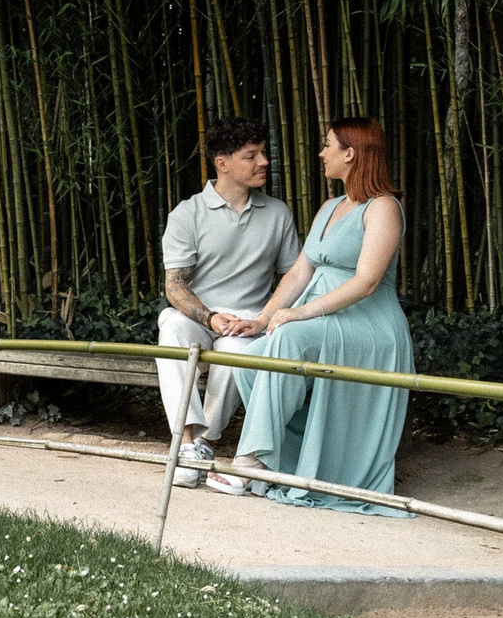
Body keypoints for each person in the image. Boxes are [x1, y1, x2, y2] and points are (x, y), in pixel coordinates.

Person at [230, 118, 416, 514]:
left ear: (350, 153)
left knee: (289, 340)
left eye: (328, 145)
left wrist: (298, 315)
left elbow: (366, 282)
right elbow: (300, 271)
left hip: (369, 323)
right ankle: (288, 461)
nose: (321, 152)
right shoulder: (330, 206)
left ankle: (252, 461)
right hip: (323, 318)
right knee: (246, 361)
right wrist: (265, 319)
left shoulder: (383, 207)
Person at [157, 116, 300, 489]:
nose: (264, 162)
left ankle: (205, 444)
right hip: (201, 316)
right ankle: (186, 443)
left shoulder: (278, 214)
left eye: (263, 154)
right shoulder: (187, 214)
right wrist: (211, 317)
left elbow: (293, 277)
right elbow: (175, 287)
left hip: (250, 320)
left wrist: (266, 318)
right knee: (171, 325)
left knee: (236, 351)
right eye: (251, 156)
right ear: (222, 163)